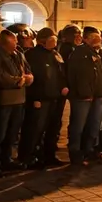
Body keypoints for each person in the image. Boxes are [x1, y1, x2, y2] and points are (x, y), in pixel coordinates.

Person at [0, 29, 32, 176]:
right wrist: (17, 81)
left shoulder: (18, 54)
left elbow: (27, 70)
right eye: (14, 40)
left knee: (12, 134)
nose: (17, 42)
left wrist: (29, 77)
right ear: (5, 43)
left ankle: (6, 159)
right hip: (4, 101)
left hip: (19, 100)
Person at [22, 27, 68, 168]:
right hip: (41, 99)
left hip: (55, 98)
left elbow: (61, 73)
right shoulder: (32, 55)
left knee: (53, 128)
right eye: (52, 38)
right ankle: (31, 157)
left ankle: (49, 155)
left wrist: (63, 86)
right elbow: (33, 78)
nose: (55, 41)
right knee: (36, 129)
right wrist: (35, 98)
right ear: (43, 40)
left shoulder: (55, 54)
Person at [65, 27, 102, 165]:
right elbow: (74, 75)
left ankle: (90, 149)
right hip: (83, 97)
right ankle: (75, 151)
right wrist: (82, 92)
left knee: (94, 124)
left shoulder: (99, 53)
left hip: (98, 94)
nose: (97, 40)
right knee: (78, 125)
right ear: (86, 39)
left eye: (98, 37)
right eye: (93, 38)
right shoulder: (79, 53)